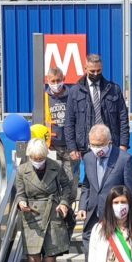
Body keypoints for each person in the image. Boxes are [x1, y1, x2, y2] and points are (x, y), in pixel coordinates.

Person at [76, 124, 132, 262]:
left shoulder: (124, 159)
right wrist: (82, 206)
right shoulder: (88, 158)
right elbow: (87, 185)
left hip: (116, 221)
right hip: (92, 218)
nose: (97, 148)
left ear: (109, 142)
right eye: (93, 145)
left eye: (100, 144)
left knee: (112, 260)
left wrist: (130, 221)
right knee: (91, 260)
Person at [15, 138, 72, 262]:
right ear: (29, 156)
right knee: (33, 259)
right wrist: (21, 203)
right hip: (32, 216)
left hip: (52, 212)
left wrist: (64, 203)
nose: (38, 161)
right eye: (34, 158)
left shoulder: (55, 166)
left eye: (40, 158)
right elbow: (20, 193)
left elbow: (67, 187)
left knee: (49, 260)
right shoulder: (22, 170)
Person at [64, 54, 130, 165]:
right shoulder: (75, 91)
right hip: (87, 146)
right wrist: (72, 147)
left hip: (110, 144)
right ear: (85, 69)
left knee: (112, 174)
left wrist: (124, 144)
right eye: (92, 71)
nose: (95, 74)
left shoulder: (114, 89)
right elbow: (69, 121)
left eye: (98, 71)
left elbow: (123, 118)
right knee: (91, 175)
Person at [44, 66, 78, 201]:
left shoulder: (72, 95)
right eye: (52, 81)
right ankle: (56, 205)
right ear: (47, 80)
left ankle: (69, 205)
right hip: (52, 147)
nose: (56, 84)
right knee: (53, 180)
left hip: (71, 147)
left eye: (58, 80)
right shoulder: (44, 98)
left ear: (63, 79)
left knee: (72, 180)